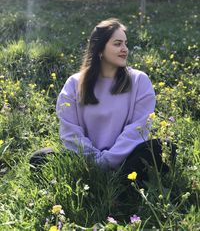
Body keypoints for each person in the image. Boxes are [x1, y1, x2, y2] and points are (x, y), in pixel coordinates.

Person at [30, 18, 176, 181]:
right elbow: (70, 132)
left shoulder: (139, 80)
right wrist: (94, 162)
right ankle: (105, 182)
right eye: (117, 44)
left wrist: (108, 161)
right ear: (99, 49)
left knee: (163, 149)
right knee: (39, 159)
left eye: (125, 44)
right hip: (84, 160)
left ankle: (117, 184)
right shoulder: (74, 83)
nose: (125, 49)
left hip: (126, 160)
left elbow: (138, 129)